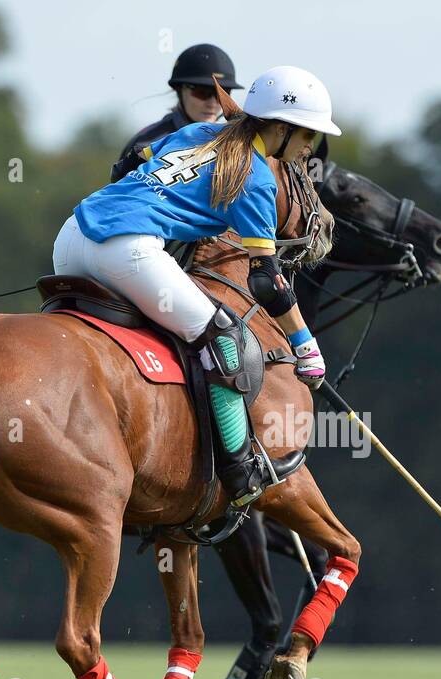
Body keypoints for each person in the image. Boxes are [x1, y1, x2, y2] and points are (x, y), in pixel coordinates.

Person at [53, 65, 338, 507]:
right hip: (127, 251)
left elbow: (130, 163)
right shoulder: (258, 177)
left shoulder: (197, 133)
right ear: (281, 128)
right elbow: (266, 280)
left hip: (72, 237)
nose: (306, 150)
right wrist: (305, 343)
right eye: (306, 137)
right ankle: (239, 468)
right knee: (222, 335)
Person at [110, 43, 242, 184]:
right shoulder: (146, 144)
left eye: (222, 94)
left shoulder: (237, 145)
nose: (213, 103)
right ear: (179, 90)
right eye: (202, 93)